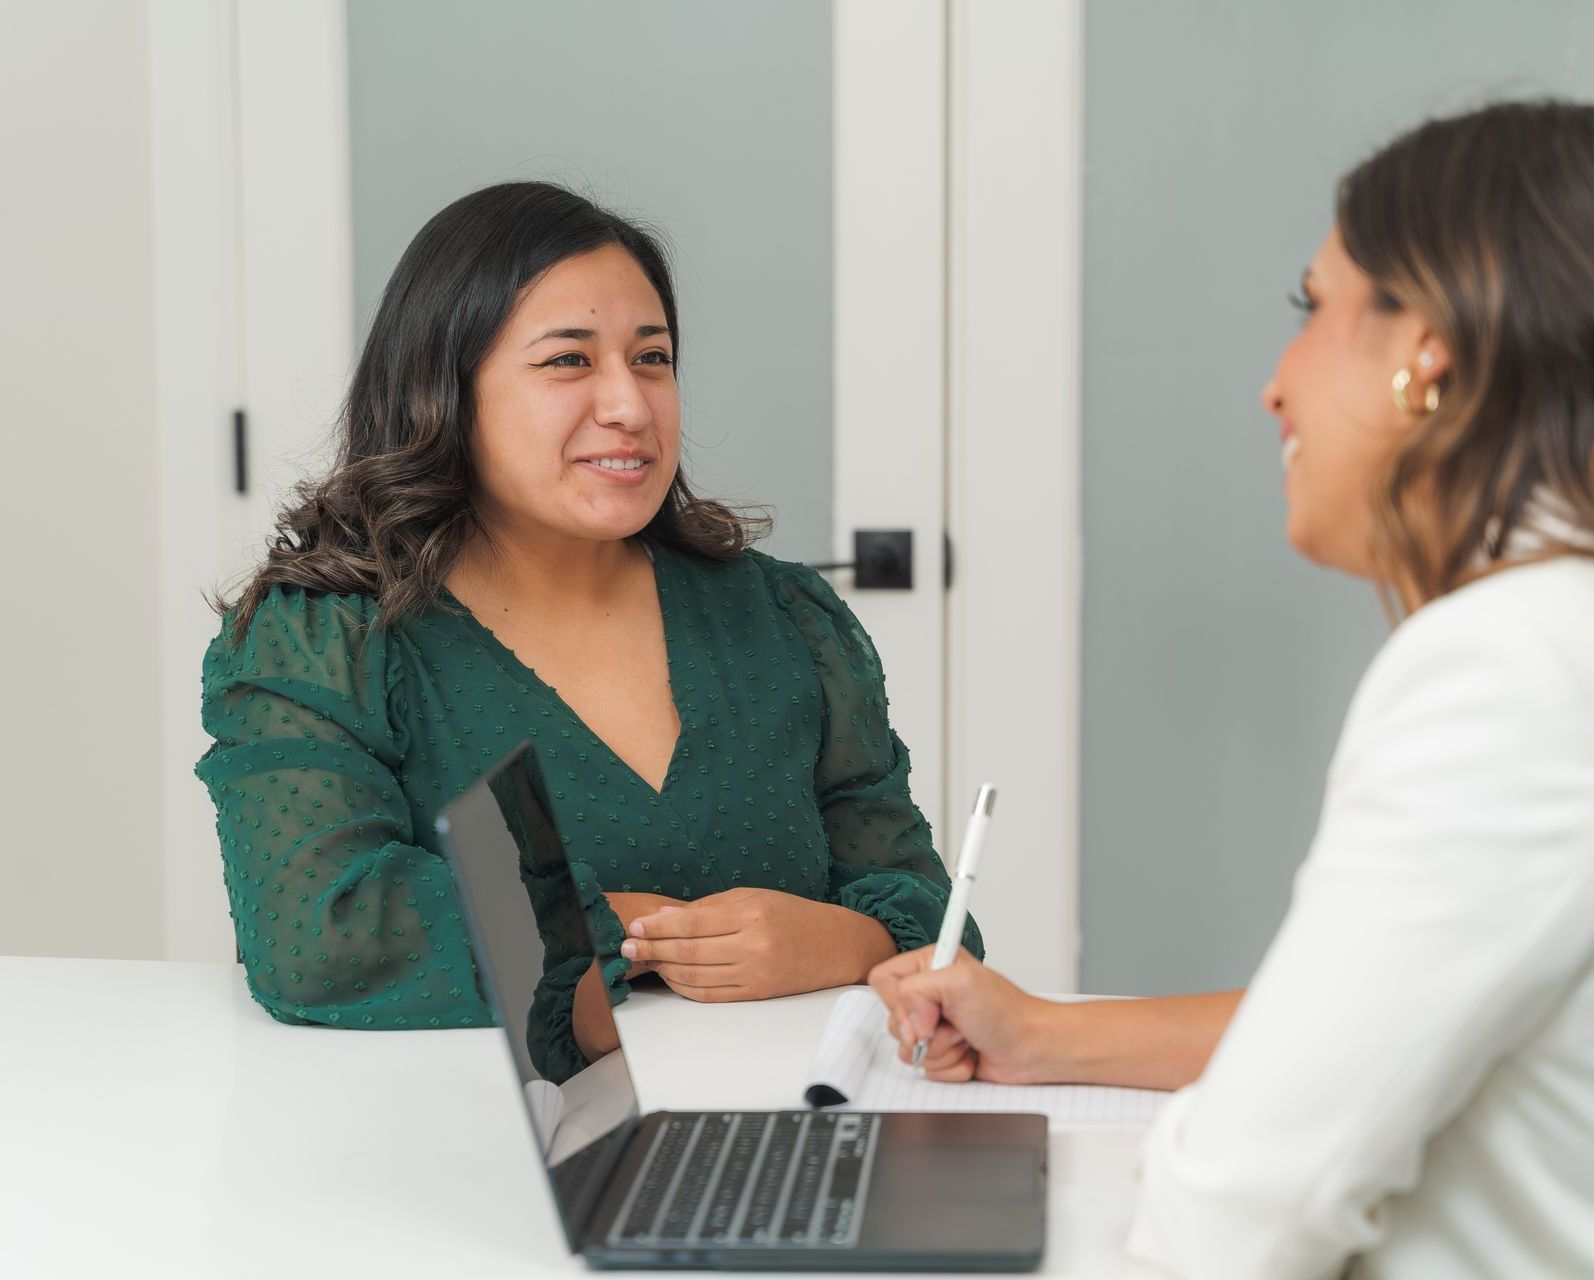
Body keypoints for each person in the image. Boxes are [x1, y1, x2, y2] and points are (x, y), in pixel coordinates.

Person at [870, 99, 1594, 1279]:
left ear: (1432, 349)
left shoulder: (1506, 668)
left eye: (1314, 310)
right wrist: (1043, 1033)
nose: (1275, 385)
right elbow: (1358, 1024)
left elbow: (1235, 1217)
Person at [196, 182, 980, 1068]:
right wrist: (635, 925)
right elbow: (320, 935)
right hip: (445, 1145)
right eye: (569, 362)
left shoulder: (789, 621)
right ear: (443, 392)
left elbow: (926, 908)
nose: (632, 407)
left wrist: (845, 945)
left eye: (652, 358)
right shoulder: (321, 642)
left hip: (781, 1122)